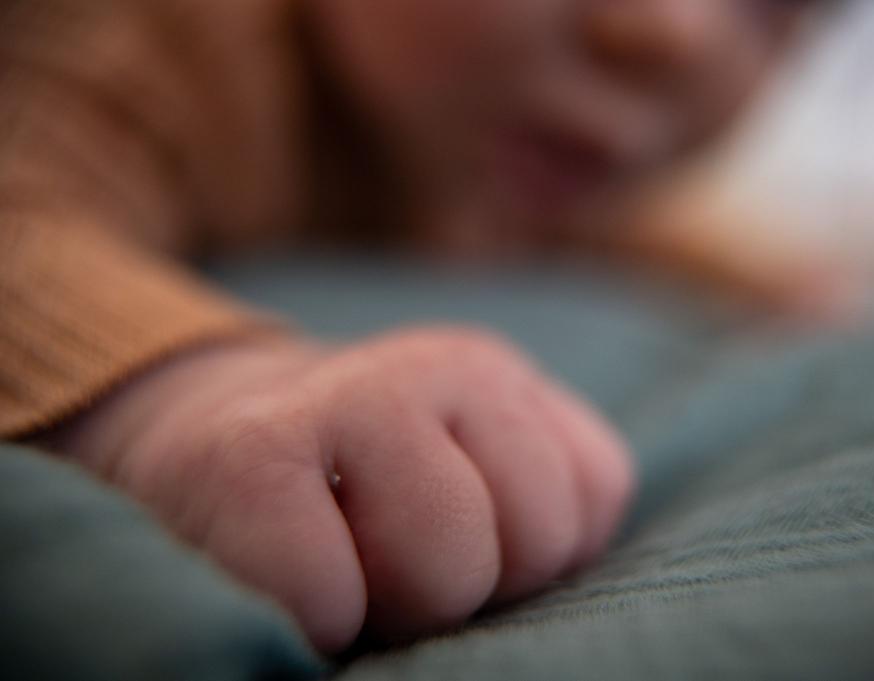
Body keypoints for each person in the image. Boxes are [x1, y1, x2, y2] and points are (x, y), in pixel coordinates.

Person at [0, 0, 831, 652]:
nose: (676, 31)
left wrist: (750, 273)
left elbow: (600, 224)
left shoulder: (492, 138)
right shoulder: (150, 31)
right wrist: (181, 397)